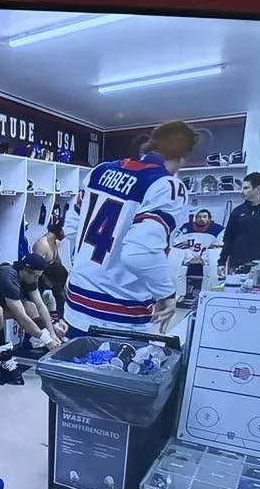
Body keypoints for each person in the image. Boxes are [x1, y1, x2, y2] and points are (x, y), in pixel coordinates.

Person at [61, 121, 197, 337]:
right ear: (184, 156)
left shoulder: (100, 170)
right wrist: (166, 293)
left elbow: (70, 228)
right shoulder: (166, 185)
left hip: (75, 303)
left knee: (72, 369)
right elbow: (139, 253)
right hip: (119, 312)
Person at [0, 254, 64, 383]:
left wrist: (51, 333)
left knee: (30, 306)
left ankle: (37, 342)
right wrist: (45, 338)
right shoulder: (8, 278)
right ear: (25, 270)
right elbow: (21, 317)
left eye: (38, 276)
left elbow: (40, 306)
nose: (36, 279)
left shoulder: (29, 277)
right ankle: (2, 355)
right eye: (35, 276)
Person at [170, 208, 224, 307]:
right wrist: (189, 258)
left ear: (209, 218)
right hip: (188, 259)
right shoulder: (185, 228)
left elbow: (218, 246)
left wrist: (202, 259)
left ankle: (206, 295)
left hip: (206, 260)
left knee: (214, 259)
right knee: (174, 259)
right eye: (199, 217)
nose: (201, 219)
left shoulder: (218, 229)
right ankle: (178, 295)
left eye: (204, 217)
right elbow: (178, 244)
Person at [30, 222, 70, 334]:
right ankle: (43, 332)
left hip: (54, 281)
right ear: (60, 230)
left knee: (61, 295)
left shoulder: (56, 243)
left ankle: (60, 322)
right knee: (43, 301)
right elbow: (34, 271)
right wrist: (48, 283)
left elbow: (58, 264)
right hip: (41, 281)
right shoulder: (41, 245)